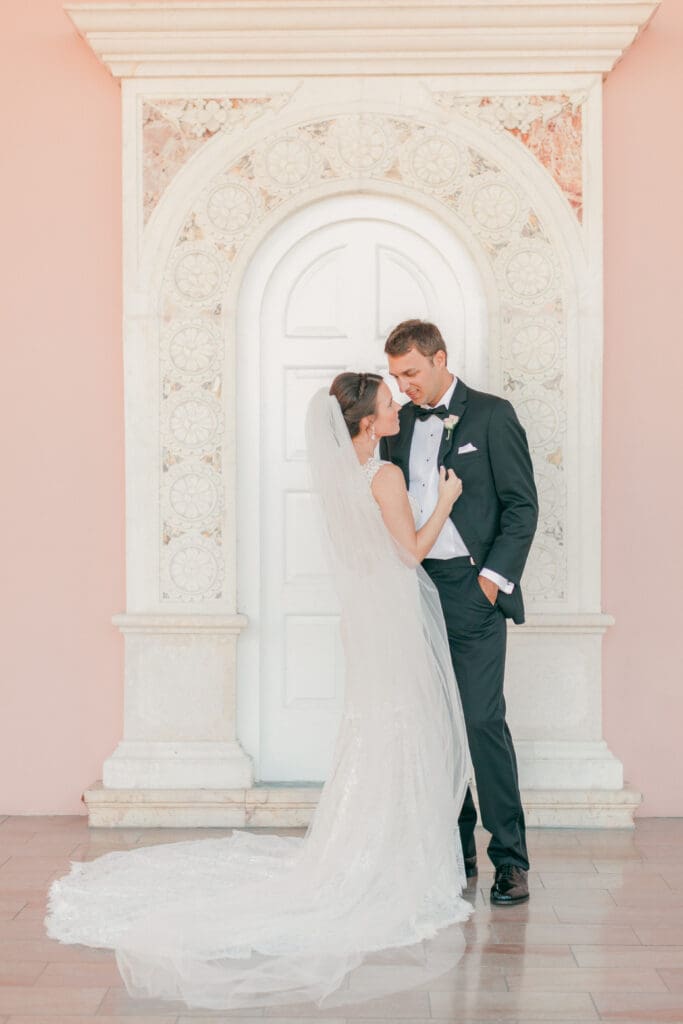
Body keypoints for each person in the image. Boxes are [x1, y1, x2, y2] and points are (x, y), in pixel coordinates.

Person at [44, 372, 473, 1012]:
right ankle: (394, 853)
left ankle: (375, 843)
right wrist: (447, 498)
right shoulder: (382, 477)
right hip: (393, 614)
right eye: (387, 404)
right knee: (403, 725)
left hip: (366, 618)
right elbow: (410, 553)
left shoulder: (340, 480)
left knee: (379, 726)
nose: (396, 408)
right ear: (365, 422)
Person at [380, 320, 538, 906]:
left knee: (480, 722)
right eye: (396, 377)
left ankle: (511, 859)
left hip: (474, 592)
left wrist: (491, 583)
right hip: (416, 592)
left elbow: (522, 506)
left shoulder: (493, 415)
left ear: (441, 358)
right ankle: (455, 851)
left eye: (412, 373)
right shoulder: (397, 429)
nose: (405, 387)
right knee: (436, 726)